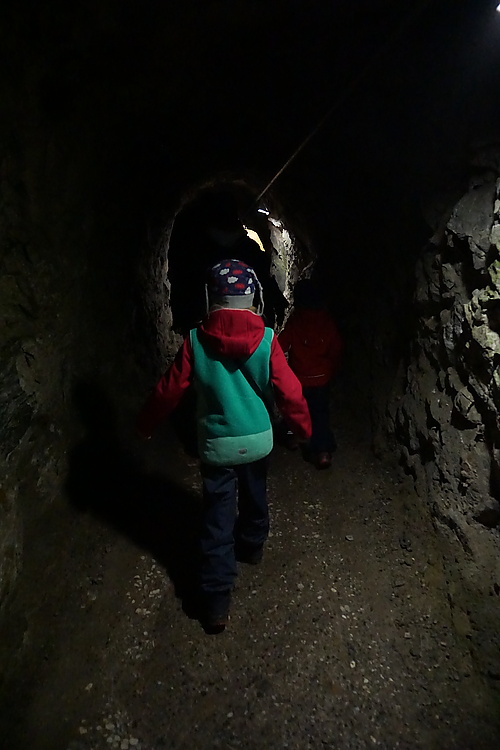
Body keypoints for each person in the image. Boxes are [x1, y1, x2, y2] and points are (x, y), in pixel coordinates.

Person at [137, 259, 311, 634]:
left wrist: (146, 424)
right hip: (258, 440)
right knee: (254, 492)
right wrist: (302, 429)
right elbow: (290, 391)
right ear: (254, 299)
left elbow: (168, 391)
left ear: (210, 299)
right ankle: (251, 544)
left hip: (217, 444)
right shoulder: (267, 340)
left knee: (216, 516)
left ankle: (216, 600)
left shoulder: (196, 342)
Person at [278, 277, 342, 470]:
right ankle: (322, 452)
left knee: (297, 411)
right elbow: (336, 348)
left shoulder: (296, 321)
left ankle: (295, 439)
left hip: (300, 378)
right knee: (320, 414)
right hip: (321, 379)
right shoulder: (327, 322)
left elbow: (281, 345)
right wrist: (332, 367)